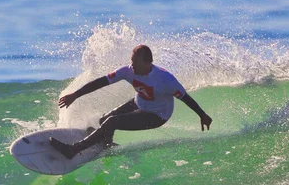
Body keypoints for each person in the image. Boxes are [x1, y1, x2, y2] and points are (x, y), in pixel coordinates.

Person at [50, 44, 212, 159]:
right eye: (132, 60)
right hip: (139, 103)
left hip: (157, 116)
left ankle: (74, 150)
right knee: (104, 120)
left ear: (148, 63)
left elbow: (185, 98)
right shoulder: (128, 71)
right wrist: (75, 95)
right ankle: (106, 144)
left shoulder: (165, 80)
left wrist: (202, 115)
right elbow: (101, 82)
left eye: (136, 62)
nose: (132, 65)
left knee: (112, 122)